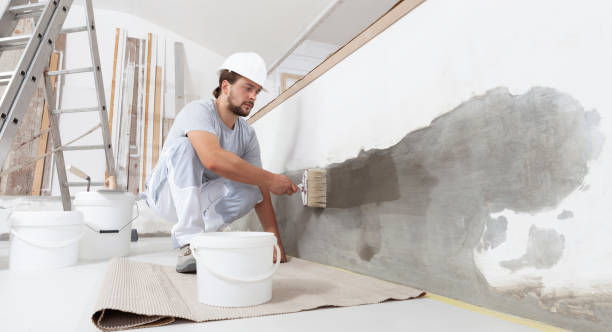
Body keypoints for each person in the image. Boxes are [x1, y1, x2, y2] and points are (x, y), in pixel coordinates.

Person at [144, 52, 298, 273]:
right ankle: (189, 243)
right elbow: (212, 159)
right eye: (247, 88)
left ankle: (203, 238)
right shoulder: (198, 111)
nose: (253, 97)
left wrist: (275, 243)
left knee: (253, 188)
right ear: (226, 86)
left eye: (256, 91)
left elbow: (261, 186)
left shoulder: (247, 135)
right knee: (185, 146)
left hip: (199, 199)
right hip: (164, 195)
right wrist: (272, 179)